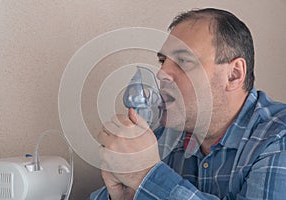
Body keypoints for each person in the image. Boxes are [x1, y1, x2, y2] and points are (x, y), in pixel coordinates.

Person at [90, 8, 286, 199]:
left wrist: (146, 176)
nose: (162, 74)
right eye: (162, 61)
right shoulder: (162, 136)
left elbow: (147, 179)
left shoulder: (278, 139)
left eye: (183, 61)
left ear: (234, 74)